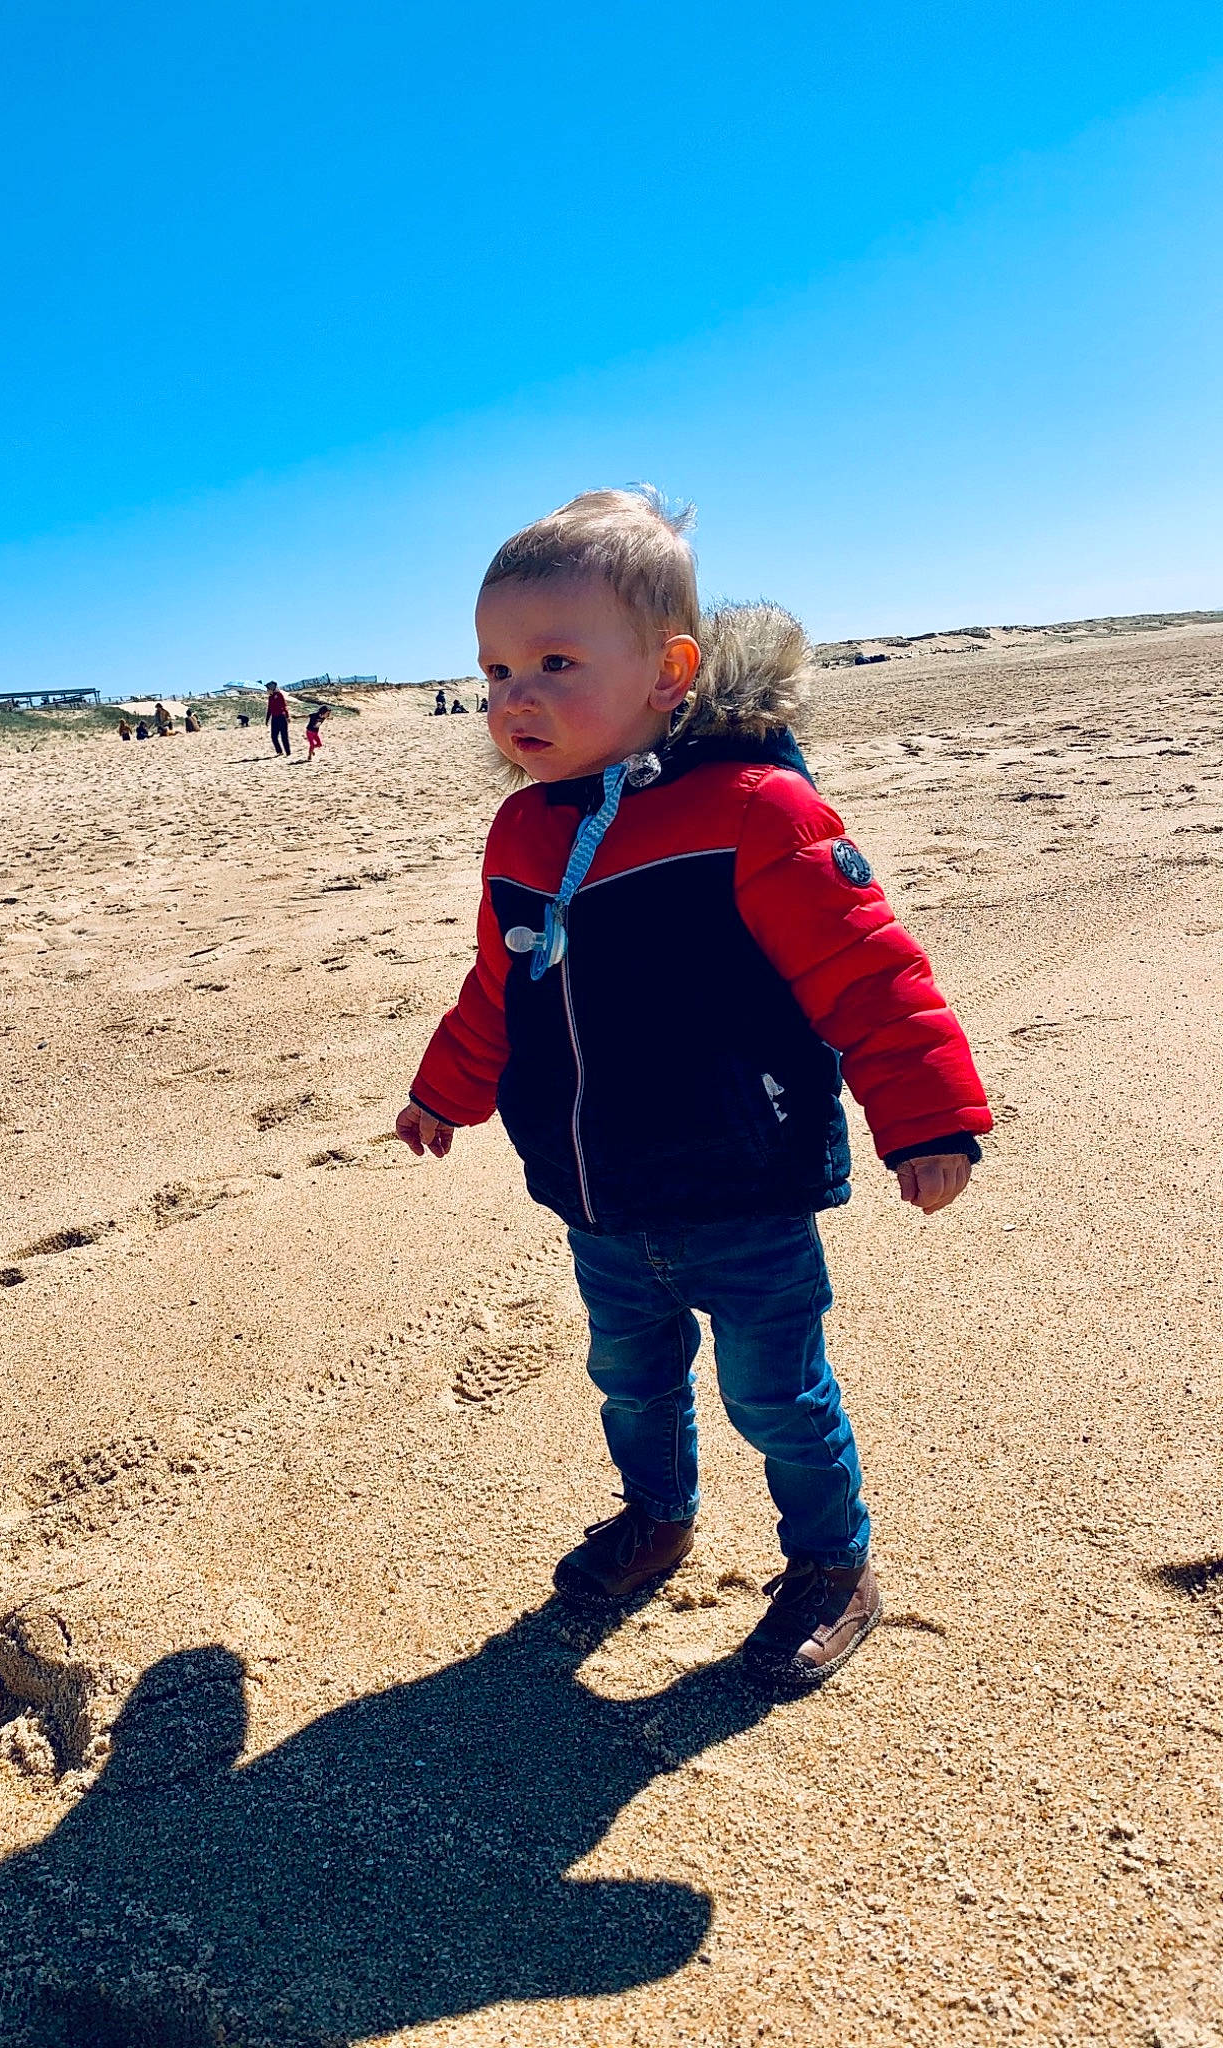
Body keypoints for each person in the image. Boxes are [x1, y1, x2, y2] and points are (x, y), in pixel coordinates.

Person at [395, 487, 991, 1693]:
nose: (517, 695)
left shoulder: (754, 809)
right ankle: (658, 1514)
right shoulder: (522, 837)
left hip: (743, 1180)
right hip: (601, 1191)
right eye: (496, 667)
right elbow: (496, 990)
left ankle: (832, 1561)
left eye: (557, 661)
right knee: (631, 1375)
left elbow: (866, 969)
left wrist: (924, 1115)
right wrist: (444, 1091)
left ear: (670, 670)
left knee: (776, 1390)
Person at [266, 685, 291, 757]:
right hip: (274, 718)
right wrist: (267, 720)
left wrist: (287, 716)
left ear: (272, 689)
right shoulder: (270, 697)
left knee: (284, 736)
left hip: (282, 717)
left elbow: (284, 706)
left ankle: (288, 752)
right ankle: (279, 751)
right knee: (273, 736)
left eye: (268, 689)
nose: (267, 690)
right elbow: (269, 709)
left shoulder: (279, 695)